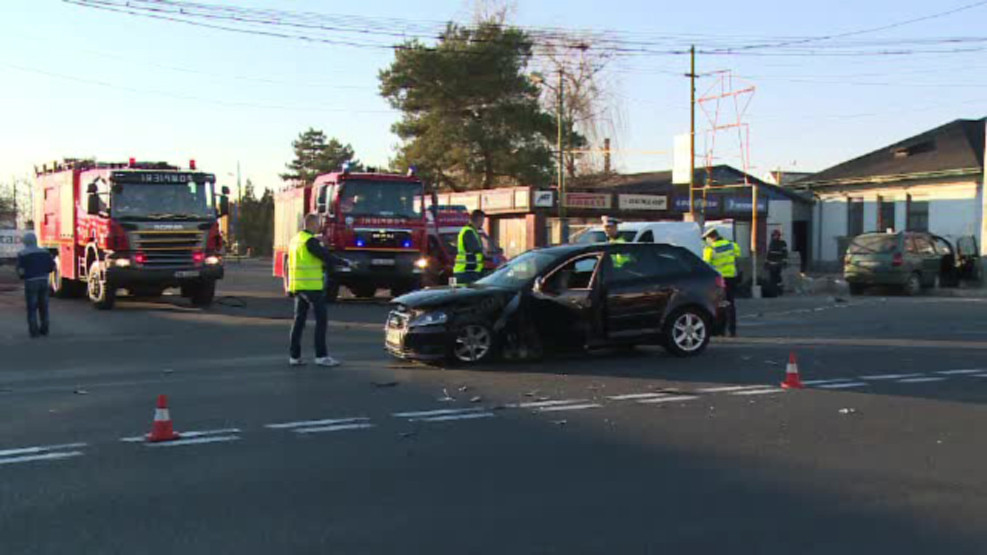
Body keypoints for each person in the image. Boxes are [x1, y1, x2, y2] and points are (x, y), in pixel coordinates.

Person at [287, 214, 350, 367]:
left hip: (298, 286)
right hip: (311, 287)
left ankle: (294, 357)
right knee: (321, 320)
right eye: (318, 224)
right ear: (312, 224)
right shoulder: (310, 241)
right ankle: (321, 356)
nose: (319, 227)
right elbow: (325, 256)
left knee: (299, 321)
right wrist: (344, 262)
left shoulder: (296, 239)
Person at [15, 231, 55, 338]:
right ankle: (45, 328)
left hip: (31, 281)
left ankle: (34, 331)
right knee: (44, 306)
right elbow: (52, 267)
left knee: (32, 307)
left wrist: (23, 277)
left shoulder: (22, 254)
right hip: (43, 280)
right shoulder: (45, 252)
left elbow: (20, 270)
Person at [703, 228, 741, 337]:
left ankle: (720, 330)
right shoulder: (731, 245)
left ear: (711, 237)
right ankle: (732, 331)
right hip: (731, 278)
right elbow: (738, 254)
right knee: (730, 304)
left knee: (719, 304)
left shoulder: (709, 248)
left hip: (718, 280)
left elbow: (706, 264)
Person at [453, 209, 485, 285]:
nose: (483, 223)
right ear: (479, 219)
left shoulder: (470, 231)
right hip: (466, 272)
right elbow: (474, 249)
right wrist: (485, 252)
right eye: (482, 220)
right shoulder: (468, 232)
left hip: (467, 271)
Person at [766, 229, 789, 296]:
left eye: (776, 235)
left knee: (778, 278)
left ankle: (779, 291)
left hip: (778, 263)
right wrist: (767, 262)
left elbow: (785, 253)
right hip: (772, 264)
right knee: (772, 278)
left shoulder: (782, 243)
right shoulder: (771, 243)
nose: (775, 237)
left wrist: (784, 262)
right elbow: (769, 254)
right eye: (774, 236)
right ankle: (773, 291)